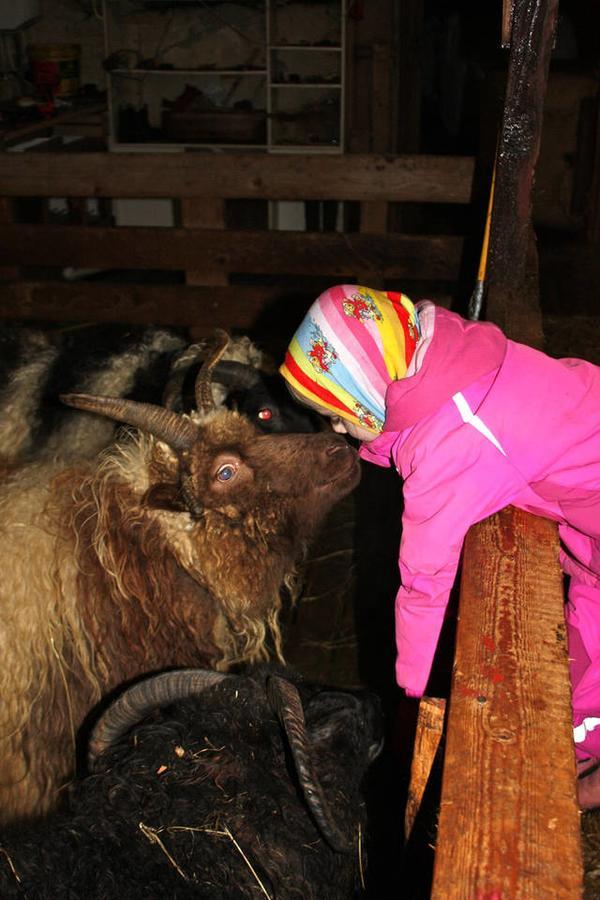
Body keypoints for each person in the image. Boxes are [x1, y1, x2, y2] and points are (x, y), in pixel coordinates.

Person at [279, 283, 600, 809]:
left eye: (337, 412)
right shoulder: (450, 353)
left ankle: (563, 791)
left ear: (366, 392)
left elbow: (425, 578)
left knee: (576, 699)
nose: (336, 428)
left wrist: (414, 689)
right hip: (588, 525)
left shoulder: (447, 444)